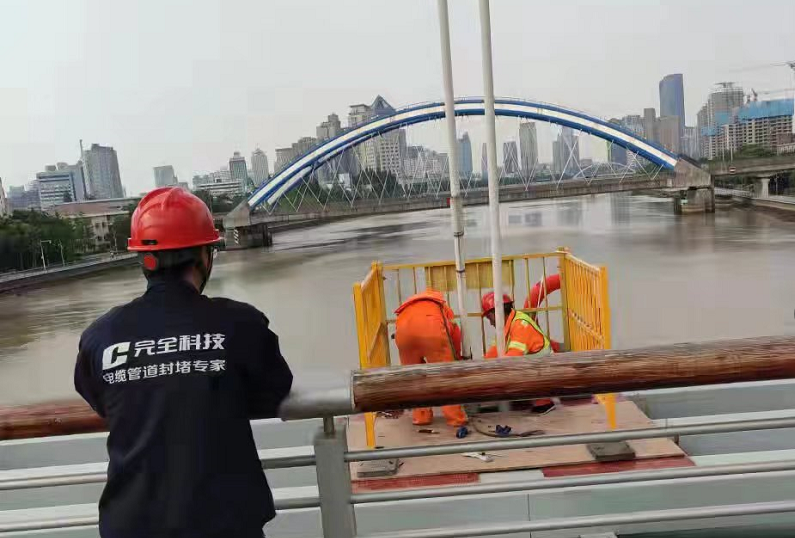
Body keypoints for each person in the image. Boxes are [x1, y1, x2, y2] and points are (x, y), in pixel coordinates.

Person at [74, 187, 293, 538]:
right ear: (204, 256)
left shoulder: (101, 336)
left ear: (144, 259)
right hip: (223, 524)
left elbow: (100, 399)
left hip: (133, 525)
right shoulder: (241, 324)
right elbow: (274, 391)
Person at [394, 289, 468, 427]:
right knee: (445, 375)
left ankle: (421, 417)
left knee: (414, 377)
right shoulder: (441, 306)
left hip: (403, 334)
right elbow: (455, 333)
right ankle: (456, 419)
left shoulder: (406, 309)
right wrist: (456, 359)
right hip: (431, 330)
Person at [481, 291, 553, 412]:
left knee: (505, 370)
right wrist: (480, 368)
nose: (491, 323)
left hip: (544, 371)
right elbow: (494, 351)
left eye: (489, 318)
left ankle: (543, 402)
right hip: (538, 369)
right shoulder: (508, 325)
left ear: (497, 313)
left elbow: (514, 357)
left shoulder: (520, 324)